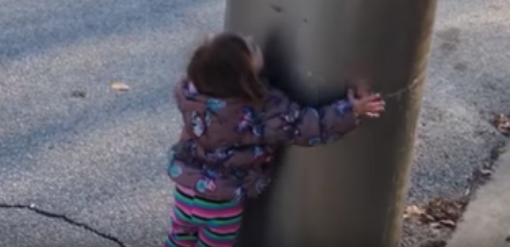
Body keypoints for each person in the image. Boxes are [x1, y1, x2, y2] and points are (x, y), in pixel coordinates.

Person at [161, 32, 386, 247]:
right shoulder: (260, 110)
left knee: (178, 240)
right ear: (246, 78)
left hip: (185, 190)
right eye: (252, 47)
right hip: (220, 203)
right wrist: (350, 110)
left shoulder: (191, 96)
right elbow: (306, 126)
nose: (252, 38)